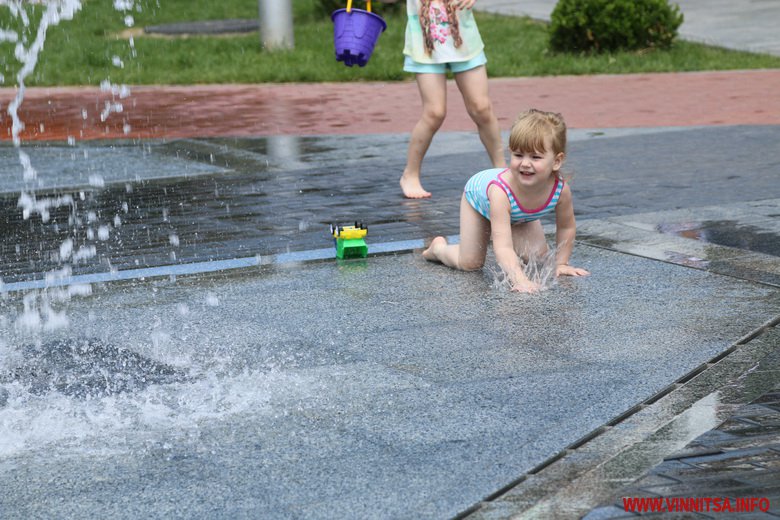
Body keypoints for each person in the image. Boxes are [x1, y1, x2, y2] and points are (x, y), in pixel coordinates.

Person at [422, 109, 590, 293]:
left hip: (518, 212)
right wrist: (519, 279)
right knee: (470, 263)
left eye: (535, 157)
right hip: (478, 201)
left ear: (556, 161)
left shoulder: (560, 190)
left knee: (538, 257)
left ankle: (516, 245)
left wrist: (562, 263)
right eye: (518, 155)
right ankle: (438, 248)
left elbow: (566, 227)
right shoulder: (500, 193)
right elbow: (502, 246)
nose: (525, 163)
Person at [391, 0, 506, 198]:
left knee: (481, 108)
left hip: (465, 42)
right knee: (434, 113)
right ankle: (410, 175)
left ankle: (502, 171)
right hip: (424, 47)